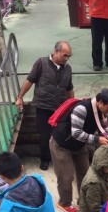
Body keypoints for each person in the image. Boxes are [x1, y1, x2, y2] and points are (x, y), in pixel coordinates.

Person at [49, 88, 108, 212]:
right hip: (61, 144)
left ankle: (83, 201)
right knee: (66, 176)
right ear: (101, 102)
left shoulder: (101, 112)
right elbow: (76, 133)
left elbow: (103, 127)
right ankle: (64, 203)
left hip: (79, 145)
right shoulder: (81, 109)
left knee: (86, 174)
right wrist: (97, 139)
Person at [15, 41, 74, 171]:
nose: (67, 58)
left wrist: (72, 104)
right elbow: (30, 80)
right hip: (43, 106)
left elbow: (69, 88)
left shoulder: (68, 69)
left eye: (69, 56)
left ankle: (59, 159)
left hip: (60, 108)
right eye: (65, 55)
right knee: (45, 135)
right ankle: (45, 159)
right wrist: (20, 97)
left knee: (60, 134)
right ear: (56, 51)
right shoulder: (41, 63)